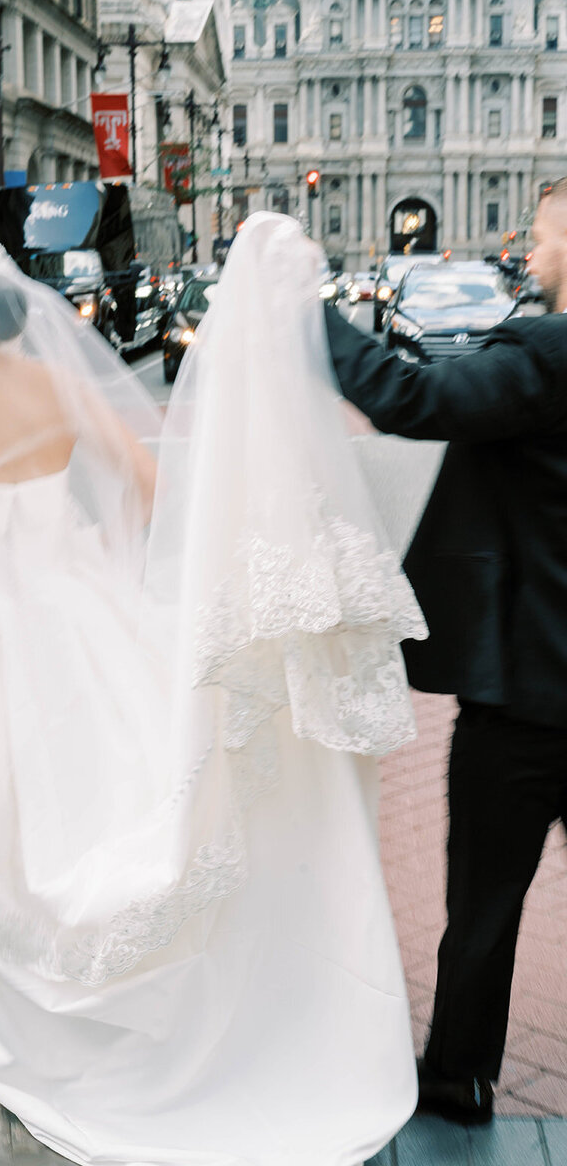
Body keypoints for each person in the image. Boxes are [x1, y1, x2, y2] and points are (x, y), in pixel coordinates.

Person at [0, 217, 425, 1166]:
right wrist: (107, 560)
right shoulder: (56, 380)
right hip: (71, 604)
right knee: (66, 801)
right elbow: (148, 480)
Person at [321, 179, 567, 1126]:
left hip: (529, 695)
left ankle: (459, 1075)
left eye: (542, 239)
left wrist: (307, 321)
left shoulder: (546, 355)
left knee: (485, 903)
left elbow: (409, 398)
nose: (529, 253)